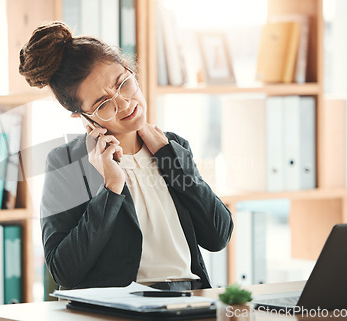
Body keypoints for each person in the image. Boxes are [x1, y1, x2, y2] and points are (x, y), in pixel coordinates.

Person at [19, 21, 233, 290]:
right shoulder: (67, 163)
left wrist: (172, 159)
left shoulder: (172, 147)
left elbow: (218, 235)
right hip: (118, 308)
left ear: (130, 70)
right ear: (82, 116)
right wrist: (111, 188)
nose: (124, 103)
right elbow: (64, 271)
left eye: (124, 84)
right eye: (103, 104)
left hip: (188, 301)